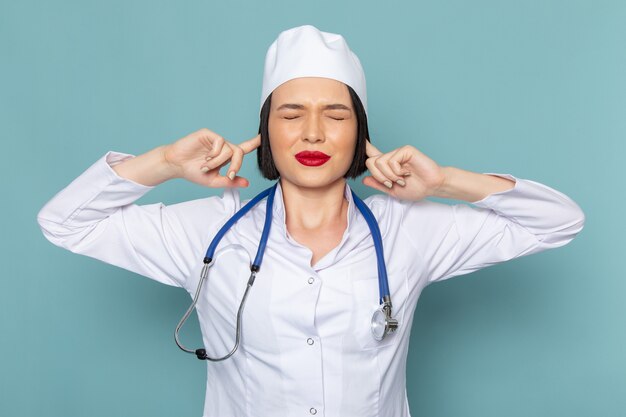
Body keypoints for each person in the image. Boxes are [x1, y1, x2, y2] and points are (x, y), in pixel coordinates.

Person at [37, 24, 585, 417]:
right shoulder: (209, 231)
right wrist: (163, 162)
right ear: (267, 131)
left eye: (337, 115)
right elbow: (65, 223)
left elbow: (558, 222)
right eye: (291, 114)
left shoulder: (408, 230)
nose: (314, 134)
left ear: (361, 135)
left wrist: (443, 181)